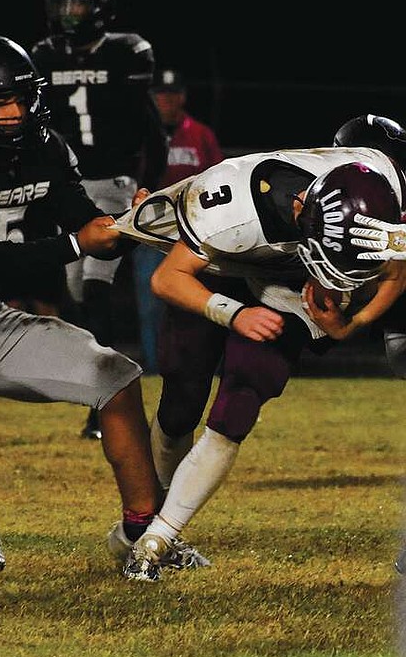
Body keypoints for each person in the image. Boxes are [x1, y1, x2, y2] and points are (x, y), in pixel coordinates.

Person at [0, 33, 207, 577]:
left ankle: (142, 532)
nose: (15, 112)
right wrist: (76, 245)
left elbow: (83, 219)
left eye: (22, 99)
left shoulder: (44, 146)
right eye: (0, 102)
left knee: (117, 376)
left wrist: (137, 221)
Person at [112, 135, 406, 581]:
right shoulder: (229, 210)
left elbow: (396, 269)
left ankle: (159, 538)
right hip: (217, 270)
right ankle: (150, 515)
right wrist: (234, 313)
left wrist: (353, 324)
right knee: (182, 401)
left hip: (287, 282)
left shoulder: (377, 185)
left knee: (246, 390)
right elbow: (167, 279)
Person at [31, 0, 168, 438]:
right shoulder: (44, 57)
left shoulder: (126, 52)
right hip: (67, 189)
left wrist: (145, 186)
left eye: (79, 1)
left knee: (96, 289)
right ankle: (102, 390)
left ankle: (105, 404)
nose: (69, 11)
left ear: (102, 6)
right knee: (75, 296)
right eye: (63, 0)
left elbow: (153, 132)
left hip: (112, 184)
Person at [132, 68, 224, 373]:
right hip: (153, 231)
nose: (167, 100)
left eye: (172, 94)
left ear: (182, 96)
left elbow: (221, 179)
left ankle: (198, 366)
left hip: (194, 232)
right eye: (161, 94)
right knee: (150, 305)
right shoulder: (141, 135)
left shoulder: (200, 134)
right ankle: (156, 367)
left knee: (197, 302)